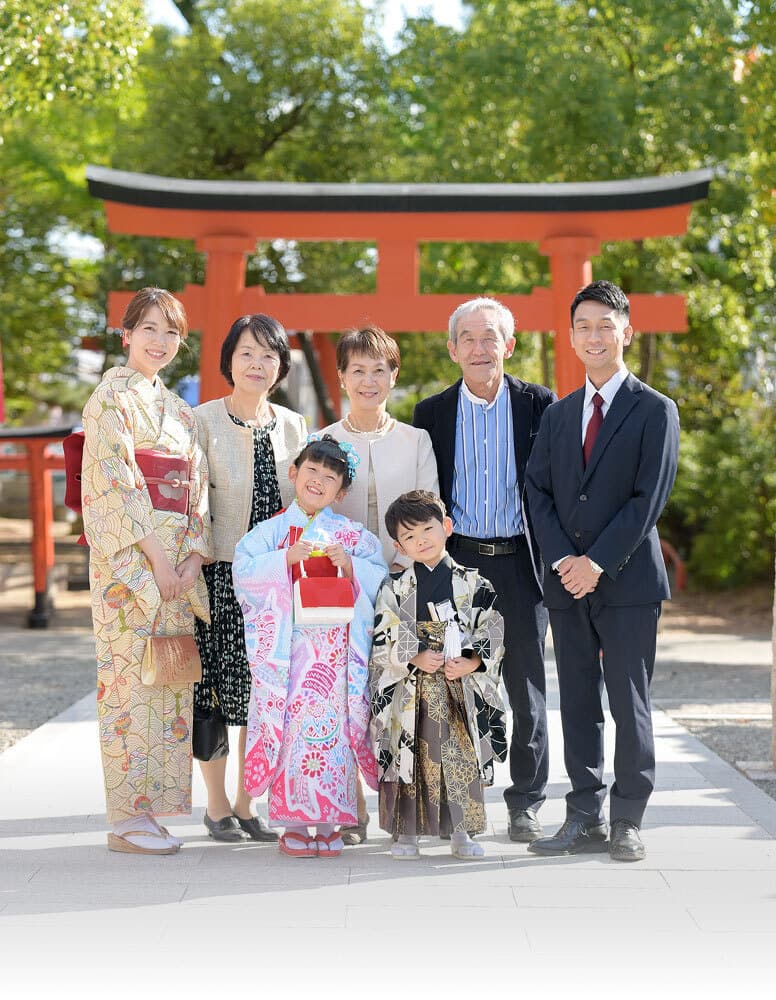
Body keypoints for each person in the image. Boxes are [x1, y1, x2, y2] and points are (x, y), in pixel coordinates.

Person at [525, 280, 679, 862]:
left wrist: (597, 562)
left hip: (628, 582)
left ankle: (628, 819)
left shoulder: (655, 410)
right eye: (583, 326)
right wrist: (567, 560)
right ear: (571, 336)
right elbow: (536, 490)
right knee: (580, 702)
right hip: (567, 583)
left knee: (628, 701)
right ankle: (583, 814)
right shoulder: (560, 414)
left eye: (605, 326)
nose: (594, 335)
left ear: (626, 334)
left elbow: (648, 499)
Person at [413, 298, 555, 843]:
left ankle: (526, 801)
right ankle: (458, 800)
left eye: (489, 337)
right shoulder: (431, 414)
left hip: (521, 561)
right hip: (457, 563)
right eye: (467, 338)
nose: (479, 347)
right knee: (454, 682)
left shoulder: (541, 406)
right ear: (452, 349)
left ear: (508, 345)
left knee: (525, 686)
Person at [81, 287, 211, 855]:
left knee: (167, 683)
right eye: (150, 329)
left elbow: (198, 491)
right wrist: (158, 561)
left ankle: (150, 812)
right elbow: (117, 484)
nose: (160, 341)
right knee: (127, 685)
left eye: (172, 332)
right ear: (126, 333)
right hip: (129, 567)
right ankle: (123, 819)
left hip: (174, 568)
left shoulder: (180, 410)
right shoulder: (108, 399)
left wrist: (191, 559)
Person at [232, 435, 387, 858]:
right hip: (291, 659)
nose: (318, 481)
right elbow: (243, 572)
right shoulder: (270, 533)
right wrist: (284, 559)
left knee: (334, 737)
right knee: (293, 737)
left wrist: (351, 564)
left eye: (330, 477)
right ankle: (295, 824)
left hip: (336, 660)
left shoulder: (351, 536)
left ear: (342, 491)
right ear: (294, 473)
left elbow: (381, 576)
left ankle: (332, 820)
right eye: (311, 471)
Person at [320, 324, 438, 844]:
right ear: (342, 376)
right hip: (338, 588)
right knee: (342, 696)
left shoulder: (417, 440)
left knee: (398, 697)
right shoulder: (324, 441)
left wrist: (400, 565)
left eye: (379, 369)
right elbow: (312, 514)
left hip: (401, 584)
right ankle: (348, 809)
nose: (369, 380)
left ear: (394, 375)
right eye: (357, 370)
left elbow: (429, 513)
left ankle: (399, 811)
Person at [193, 314, 307, 843]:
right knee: (215, 691)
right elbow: (190, 504)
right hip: (219, 576)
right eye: (246, 354)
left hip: (276, 584)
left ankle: (247, 801)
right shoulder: (202, 420)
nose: (257, 364)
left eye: (268, 355)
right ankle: (215, 805)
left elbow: (306, 502)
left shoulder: (292, 426)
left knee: (265, 693)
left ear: (281, 365)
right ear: (228, 361)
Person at [370, 490, 507, 860]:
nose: (421, 541)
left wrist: (474, 661)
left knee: (459, 757)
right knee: (407, 758)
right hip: (411, 687)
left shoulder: (475, 583)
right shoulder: (395, 587)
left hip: (458, 684)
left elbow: (492, 627)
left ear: (446, 527)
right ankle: (407, 834)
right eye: (409, 537)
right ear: (398, 545)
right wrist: (413, 655)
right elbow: (383, 631)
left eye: (427, 530)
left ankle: (462, 833)